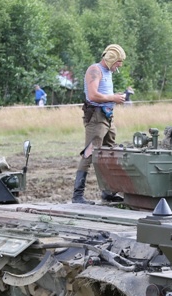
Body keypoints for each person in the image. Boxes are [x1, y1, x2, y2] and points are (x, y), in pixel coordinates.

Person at [71, 44, 127, 204]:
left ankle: (108, 192)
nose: (119, 65)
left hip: (108, 117)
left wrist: (115, 98)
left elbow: (104, 94)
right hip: (96, 117)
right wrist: (113, 98)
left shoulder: (107, 72)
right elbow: (93, 95)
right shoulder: (95, 70)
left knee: (110, 151)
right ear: (110, 59)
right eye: (118, 62)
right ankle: (77, 195)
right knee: (90, 153)